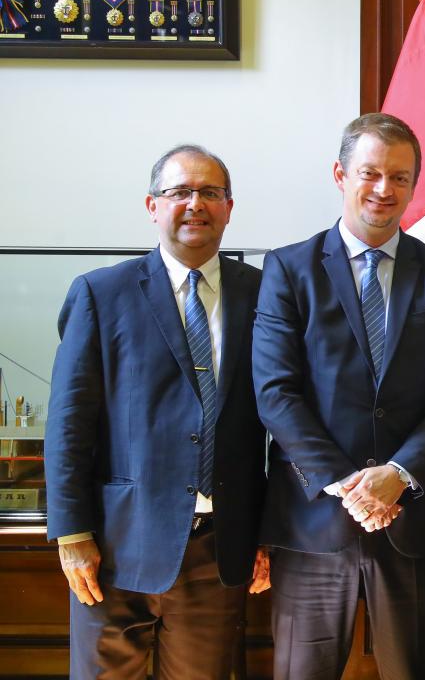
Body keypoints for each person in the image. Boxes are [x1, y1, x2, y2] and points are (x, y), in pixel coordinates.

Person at [253, 113, 425, 680]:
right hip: (314, 519)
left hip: (414, 513)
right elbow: (276, 391)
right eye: (370, 173)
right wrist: (349, 485)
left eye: (400, 178)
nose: (384, 189)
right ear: (340, 174)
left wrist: (398, 474)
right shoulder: (289, 267)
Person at [44, 145, 270, 679]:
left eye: (210, 193)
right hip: (116, 546)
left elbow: (279, 425)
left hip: (219, 551)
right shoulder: (101, 294)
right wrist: (72, 534)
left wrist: (268, 532)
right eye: (180, 192)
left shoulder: (263, 294)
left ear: (229, 207)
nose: (196, 204)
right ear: (152, 205)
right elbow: (68, 422)